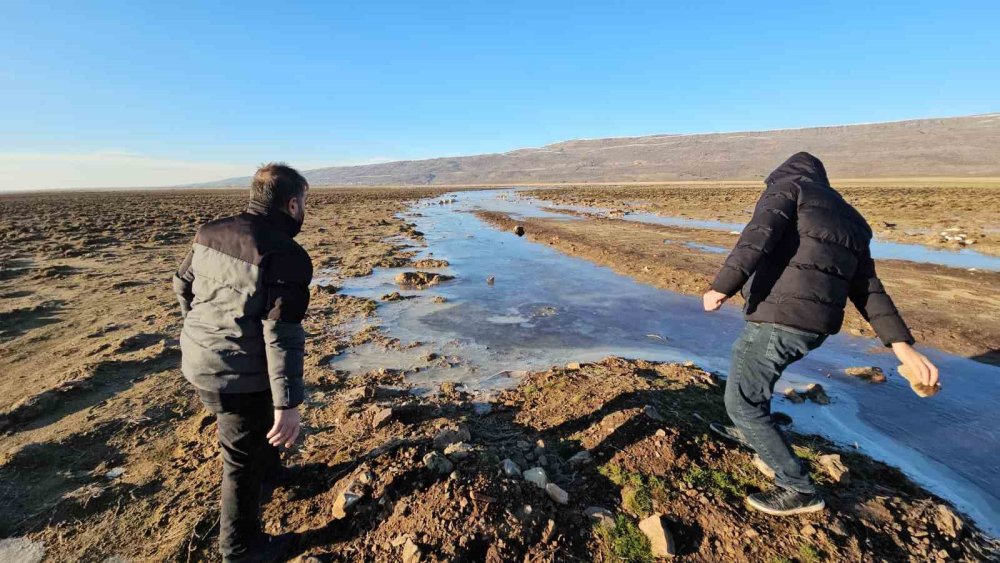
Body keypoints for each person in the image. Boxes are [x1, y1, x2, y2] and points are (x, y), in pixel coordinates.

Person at [702, 152, 939, 516]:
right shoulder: (852, 219)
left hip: (780, 316)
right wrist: (901, 345)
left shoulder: (788, 188)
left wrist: (723, 286)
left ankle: (797, 487)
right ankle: (753, 432)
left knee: (742, 402)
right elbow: (868, 287)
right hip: (816, 327)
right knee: (752, 376)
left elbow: (758, 235)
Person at [173, 163, 312, 560]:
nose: (304, 210)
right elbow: (281, 335)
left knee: (253, 430)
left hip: (200, 356)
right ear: (290, 204)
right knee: (239, 459)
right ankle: (239, 548)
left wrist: (200, 331)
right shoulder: (286, 254)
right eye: (304, 202)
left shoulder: (210, 232)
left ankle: (271, 474)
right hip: (232, 373)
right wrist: (289, 405)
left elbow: (181, 283)